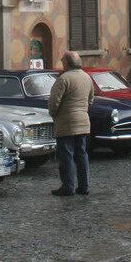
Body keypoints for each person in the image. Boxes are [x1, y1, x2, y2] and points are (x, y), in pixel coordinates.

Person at [48, 51, 95, 197]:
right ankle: (84, 186)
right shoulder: (87, 77)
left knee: (66, 155)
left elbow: (54, 102)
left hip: (66, 122)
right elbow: (91, 99)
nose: (61, 62)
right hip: (83, 121)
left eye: (62, 60)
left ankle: (68, 187)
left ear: (67, 62)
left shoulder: (64, 78)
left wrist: (53, 113)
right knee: (81, 154)